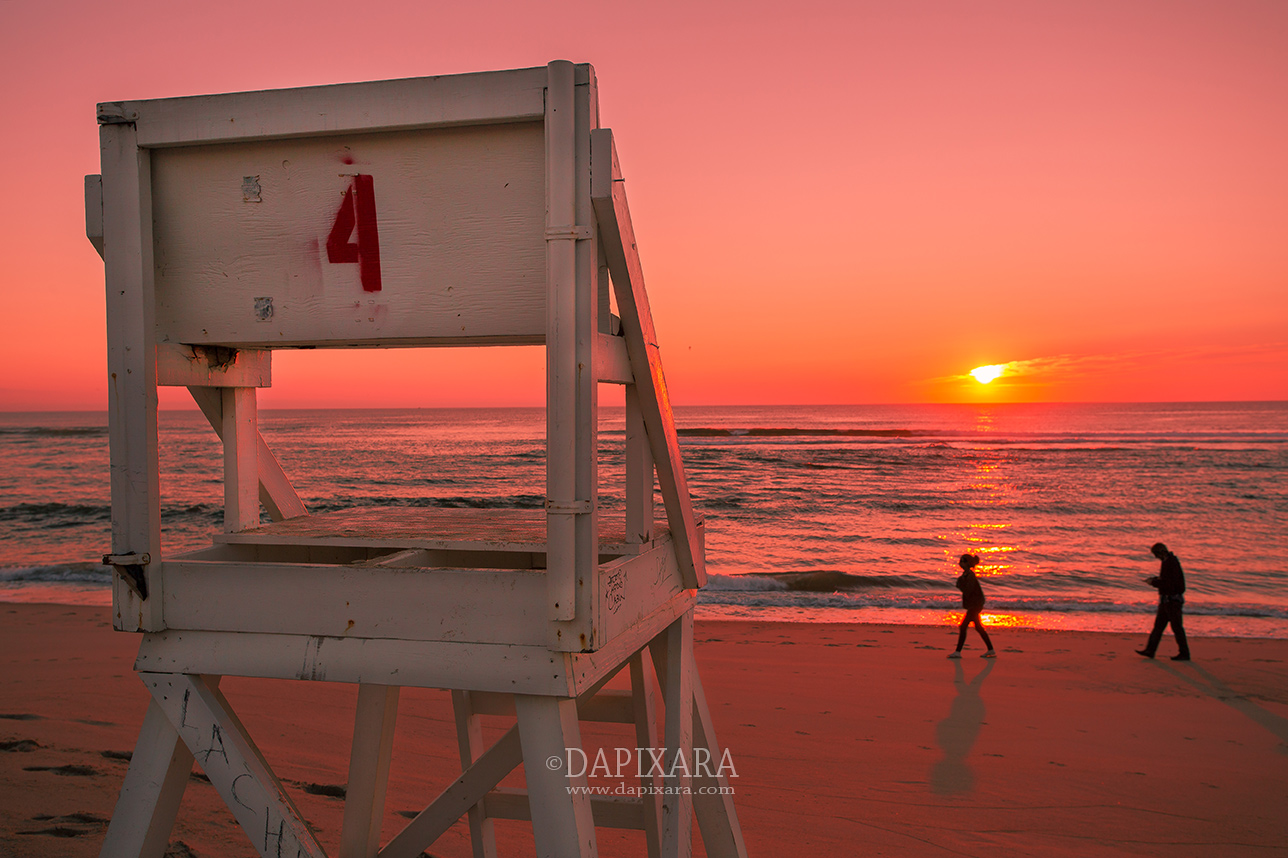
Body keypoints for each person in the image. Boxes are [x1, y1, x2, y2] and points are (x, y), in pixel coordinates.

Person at [1137, 542, 1191, 661]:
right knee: (1159, 627)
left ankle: (1184, 653)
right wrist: (1156, 580)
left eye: (1156, 554)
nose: (1156, 557)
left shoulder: (1170, 563)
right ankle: (1150, 650)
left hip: (1172, 601)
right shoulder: (1169, 562)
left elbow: (1170, 584)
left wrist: (1154, 583)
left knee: (1176, 628)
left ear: (1160, 552)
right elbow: (1168, 580)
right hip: (1167, 601)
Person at [949, 553, 995, 658]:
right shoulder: (965, 575)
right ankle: (991, 649)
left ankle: (958, 652)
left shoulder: (970, 576)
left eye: (962, 561)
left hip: (975, 605)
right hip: (974, 605)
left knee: (963, 626)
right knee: (978, 627)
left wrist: (961, 585)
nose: (959, 563)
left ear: (967, 563)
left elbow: (968, 590)